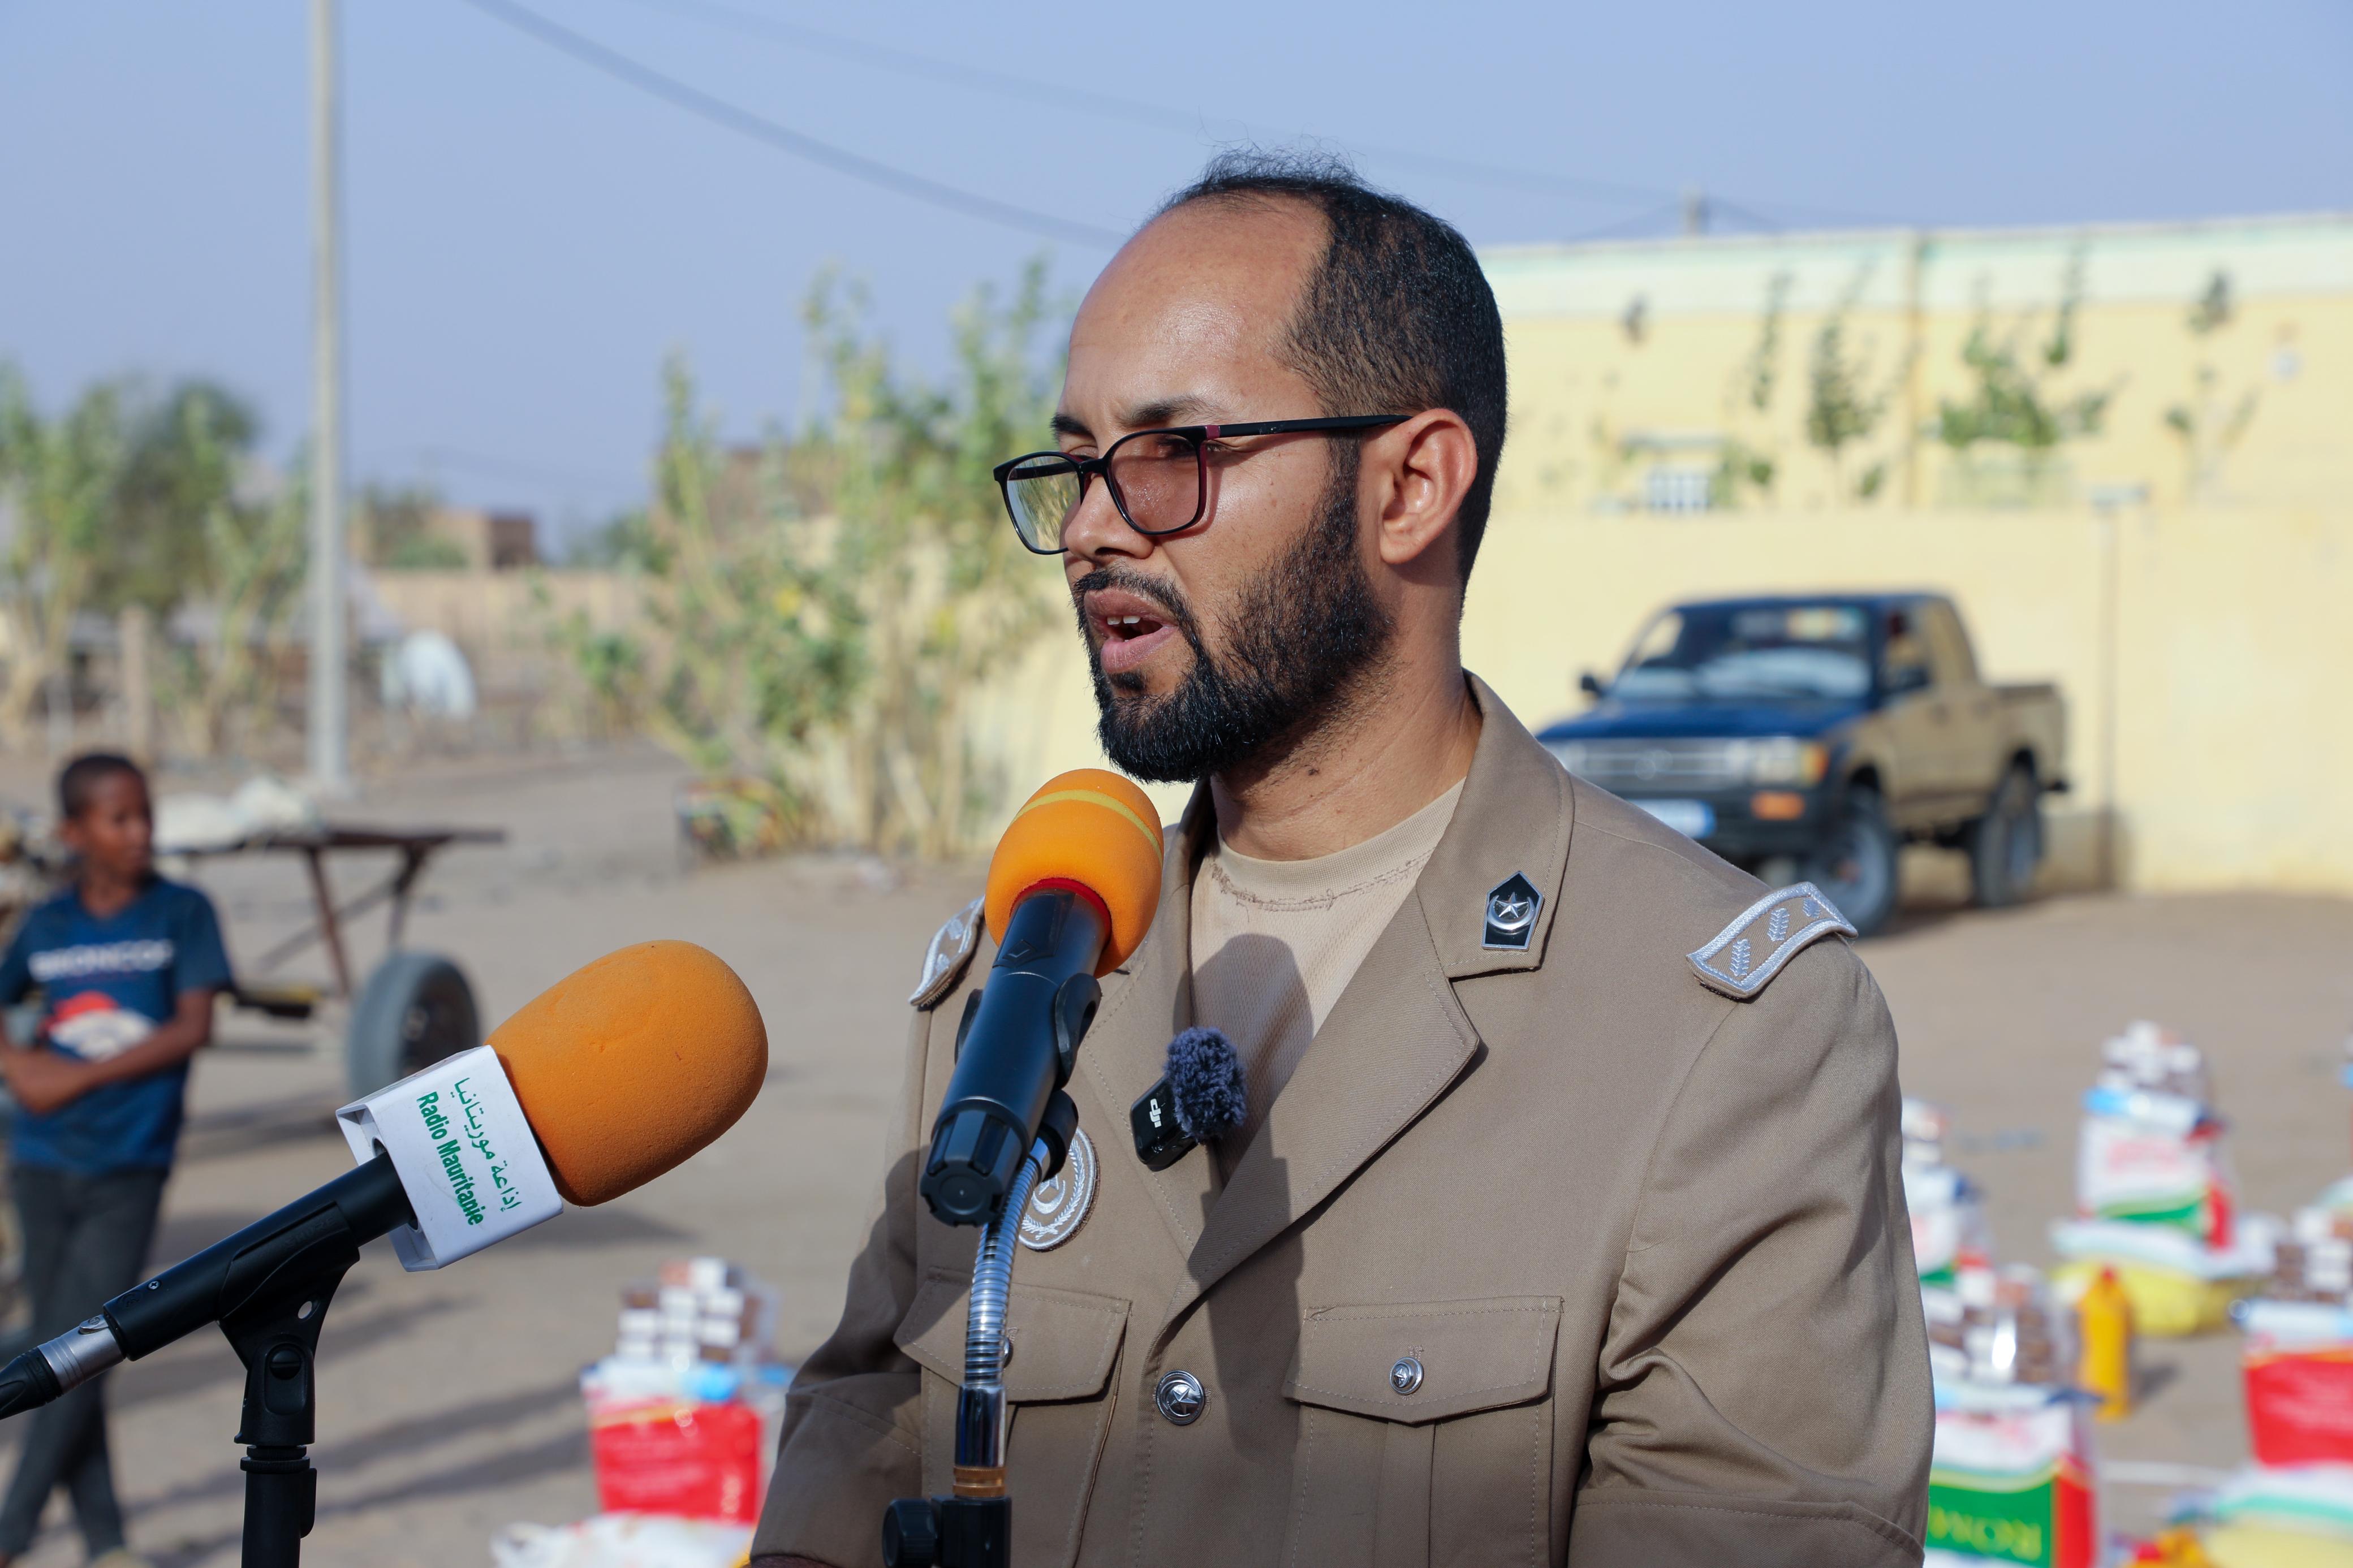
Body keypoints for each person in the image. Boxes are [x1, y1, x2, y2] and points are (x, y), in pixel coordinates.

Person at [753, 153, 1931, 1568]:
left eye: (1174, 454)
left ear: (1411, 486)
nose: (1093, 528)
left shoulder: (1721, 1040)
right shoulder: (1021, 972)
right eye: (1077, 463)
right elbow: (866, 1440)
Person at [0, 753, 230, 1568]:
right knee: (64, 1344)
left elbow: (194, 1025)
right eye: (117, 818)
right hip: (41, 1160)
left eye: (145, 815)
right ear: (74, 832)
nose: (139, 833)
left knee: (82, 1347)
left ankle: (12, 1533)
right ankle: (107, 1542)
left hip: (131, 1161)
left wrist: (76, 1077)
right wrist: (19, 1067)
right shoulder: (48, 924)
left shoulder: (182, 912)